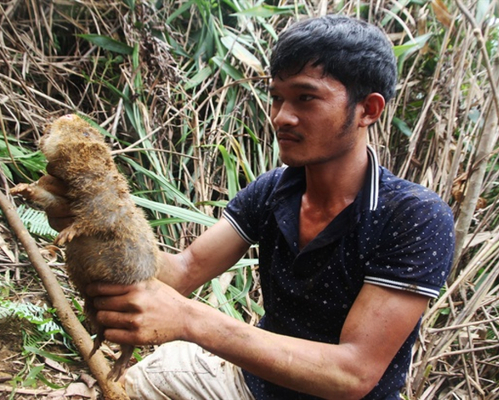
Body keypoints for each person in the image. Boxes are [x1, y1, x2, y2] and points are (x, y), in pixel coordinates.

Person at [47, 14, 454, 400]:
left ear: (369, 109)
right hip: (248, 383)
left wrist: (190, 320)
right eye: (277, 98)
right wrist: (102, 219)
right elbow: (184, 271)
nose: (282, 116)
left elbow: (352, 374)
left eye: (306, 98)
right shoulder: (274, 189)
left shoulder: (413, 216)